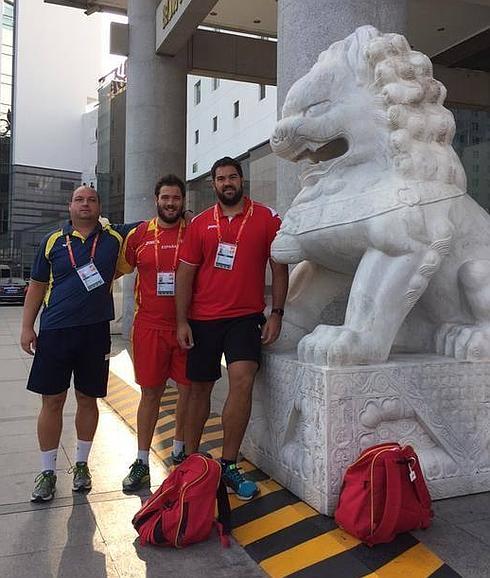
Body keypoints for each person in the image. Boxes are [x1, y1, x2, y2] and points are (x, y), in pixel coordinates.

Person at [176, 156, 289, 501]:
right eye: (221, 178)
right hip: (203, 318)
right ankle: (193, 463)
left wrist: (277, 313)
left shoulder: (267, 218)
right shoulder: (199, 224)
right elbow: (185, 274)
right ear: (213, 184)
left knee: (242, 380)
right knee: (199, 389)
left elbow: (279, 267)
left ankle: (228, 463)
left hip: (245, 317)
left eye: (232, 177)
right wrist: (181, 320)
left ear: (242, 180)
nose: (227, 183)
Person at [21, 186, 134, 502]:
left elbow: (153, 225)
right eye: (79, 199)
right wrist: (27, 327)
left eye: (92, 199)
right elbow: (36, 286)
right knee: (52, 401)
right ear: (69, 206)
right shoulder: (53, 241)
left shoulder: (114, 238)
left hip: (95, 332)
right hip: (55, 331)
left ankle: (82, 465)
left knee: (88, 400)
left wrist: (188, 216)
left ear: (100, 207)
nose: (85, 204)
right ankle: (47, 471)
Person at [117, 175, 190, 491]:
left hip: (187, 326)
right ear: (156, 199)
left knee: (187, 391)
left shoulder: (195, 232)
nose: (170, 203)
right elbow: (116, 269)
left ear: (183, 201)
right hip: (148, 327)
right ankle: (142, 461)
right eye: (165, 198)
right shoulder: (139, 235)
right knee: (151, 394)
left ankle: (179, 451)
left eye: (175, 198)